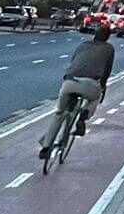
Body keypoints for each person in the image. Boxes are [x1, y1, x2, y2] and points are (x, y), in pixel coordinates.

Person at [41, 23, 113, 159]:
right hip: (90, 84)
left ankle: (45, 147)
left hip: (70, 81)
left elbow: (73, 62)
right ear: (108, 38)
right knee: (94, 98)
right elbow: (106, 71)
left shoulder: (82, 45)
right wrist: (102, 87)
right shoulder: (109, 49)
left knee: (59, 113)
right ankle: (84, 115)